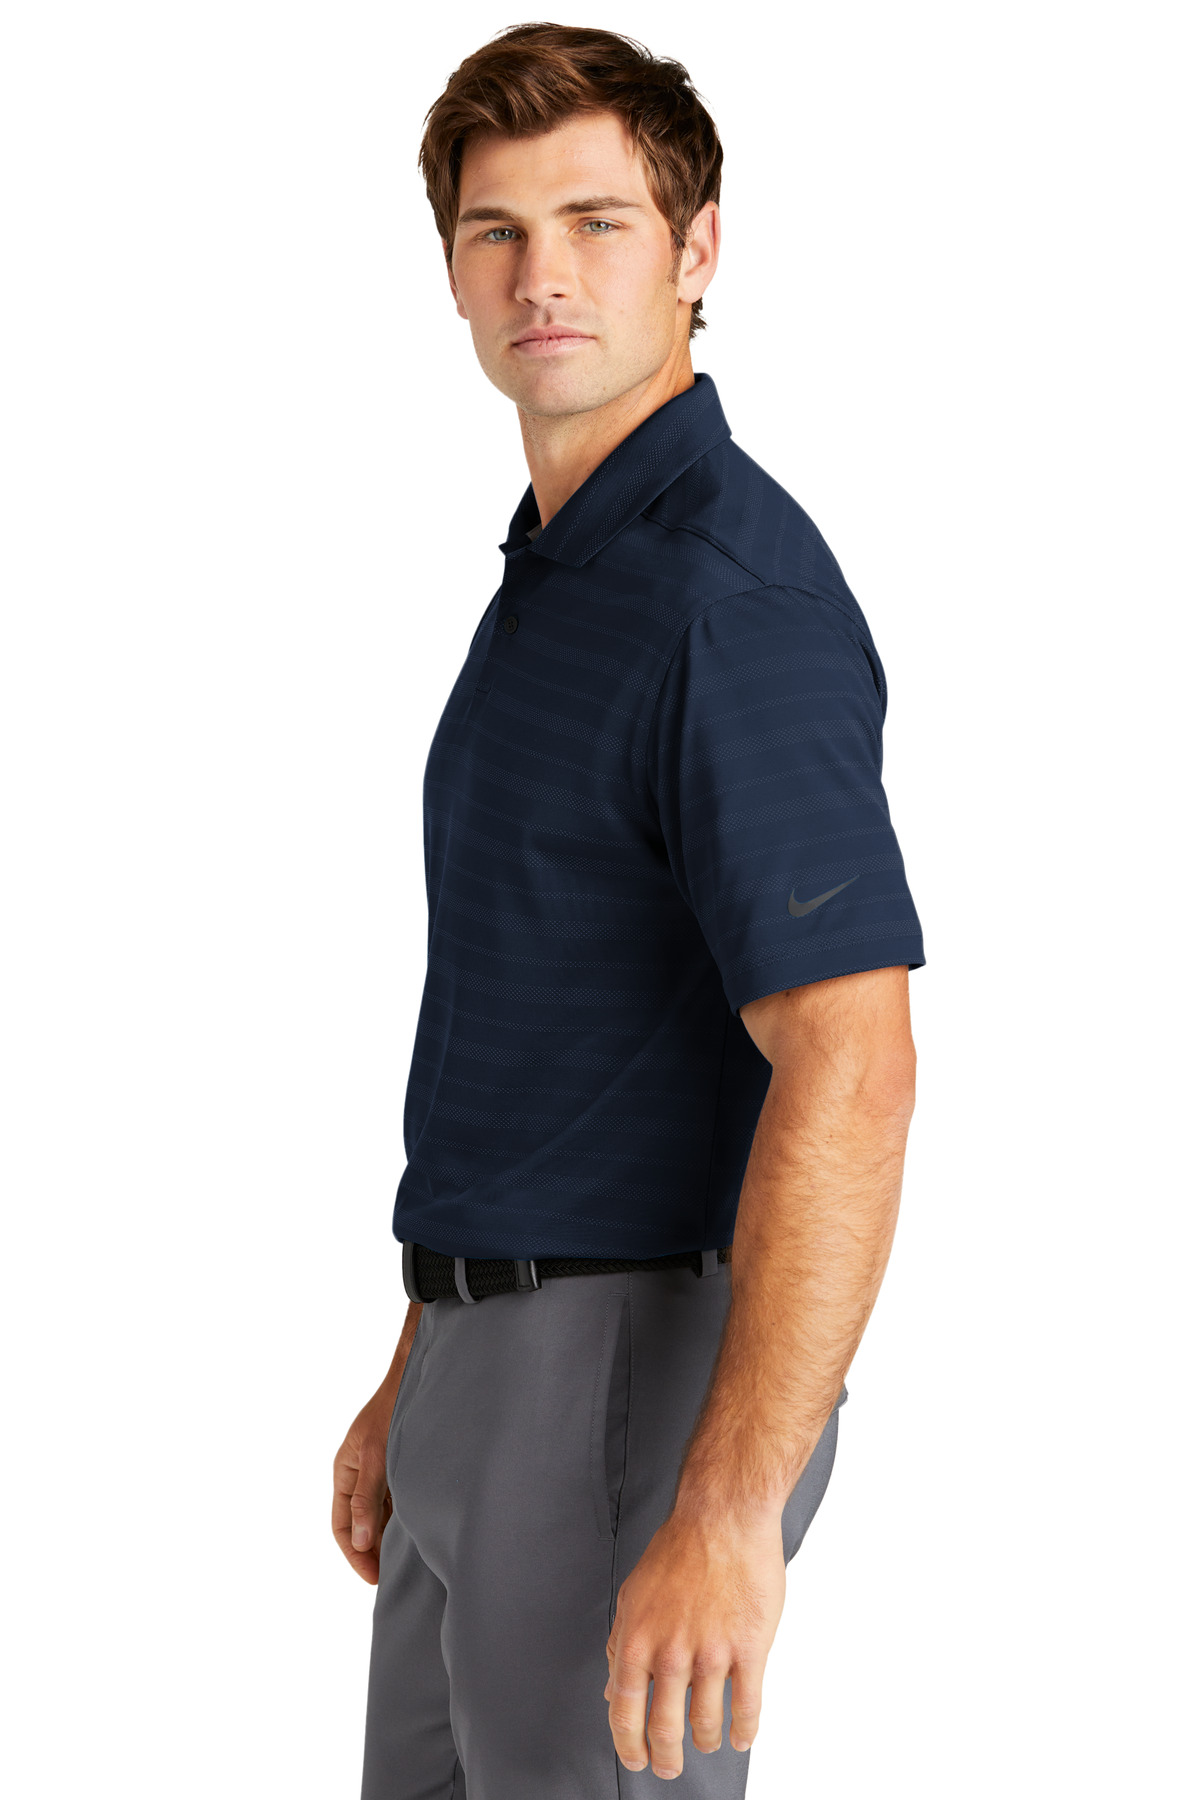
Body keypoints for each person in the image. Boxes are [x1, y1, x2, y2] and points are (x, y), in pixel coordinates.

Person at [332, 23, 923, 1797]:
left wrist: (730, 1511)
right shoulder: (566, 570)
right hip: (489, 1362)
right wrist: (423, 1359)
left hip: (623, 1386)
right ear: (452, 270)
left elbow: (854, 1064)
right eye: (498, 231)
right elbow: (543, 1021)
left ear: (697, 248)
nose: (543, 275)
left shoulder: (726, 601)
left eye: (596, 222)